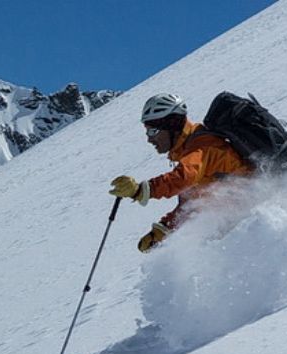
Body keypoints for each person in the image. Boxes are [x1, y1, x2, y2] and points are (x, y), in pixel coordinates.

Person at [108, 93, 255, 252]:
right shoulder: (192, 149)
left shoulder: (203, 146)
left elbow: (183, 178)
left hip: (252, 222)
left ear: (172, 126)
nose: (149, 139)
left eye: (153, 131)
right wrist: (162, 231)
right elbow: (193, 204)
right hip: (241, 227)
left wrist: (140, 189)